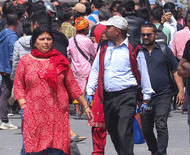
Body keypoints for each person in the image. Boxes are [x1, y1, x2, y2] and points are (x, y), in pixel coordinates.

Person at [15, 26, 92, 155]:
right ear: (34, 42)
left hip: (57, 114)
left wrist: (85, 106)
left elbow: (72, 85)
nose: (46, 42)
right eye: (42, 39)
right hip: (34, 113)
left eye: (48, 39)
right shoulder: (25, 61)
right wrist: (23, 106)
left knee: (56, 148)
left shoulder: (60, 60)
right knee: (33, 148)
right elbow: (18, 86)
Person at [85, 16, 154, 155]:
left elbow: (143, 72)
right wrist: (90, 90)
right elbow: (96, 69)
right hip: (108, 97)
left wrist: (146, 97)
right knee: (114, 132)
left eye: (108, 28)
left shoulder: (133, 49)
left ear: (117, 31)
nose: (105, 30)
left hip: (127, 96)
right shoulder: (104, 47)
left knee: (124, 132)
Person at [139, 22, 184, 155]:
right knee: (146, 128)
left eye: (148, 34)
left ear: (155, 34)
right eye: (143, 35)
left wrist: (181, 91)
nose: (145, 37)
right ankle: (154, 150)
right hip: (145, 98)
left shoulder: (164, 50)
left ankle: (161, 152)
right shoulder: (138, 52)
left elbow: (175, 71)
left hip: (163, 95)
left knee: (161, 125)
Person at [0, 13, 20, 130]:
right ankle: (5, 118)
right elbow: (13, 54)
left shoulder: (2, 34)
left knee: (5, 92)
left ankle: (4, 118)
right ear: (17, 23)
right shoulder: (13, 36)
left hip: (3, 67)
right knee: (13, 92)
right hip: (10, 68)